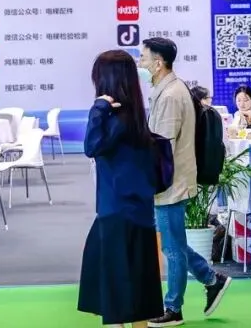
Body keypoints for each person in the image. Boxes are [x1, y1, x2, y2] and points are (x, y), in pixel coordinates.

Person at [140, 37, 231, 328]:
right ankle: (211, 279)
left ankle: (173, 308)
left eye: (144, 57)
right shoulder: (169, 90)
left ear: (158, 63)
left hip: (170, 181)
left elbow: (162, 145)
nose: (140, 62)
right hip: (172, 179)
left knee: (172, 248)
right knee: (174, 242)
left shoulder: (170, 95)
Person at [78, 50, 165, 328]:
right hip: (135, 208)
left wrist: (98, 108)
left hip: (118, 209)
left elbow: (91, 146)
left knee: (118, 288)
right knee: (137, 286)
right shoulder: (133, 115)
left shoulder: (115, 117)